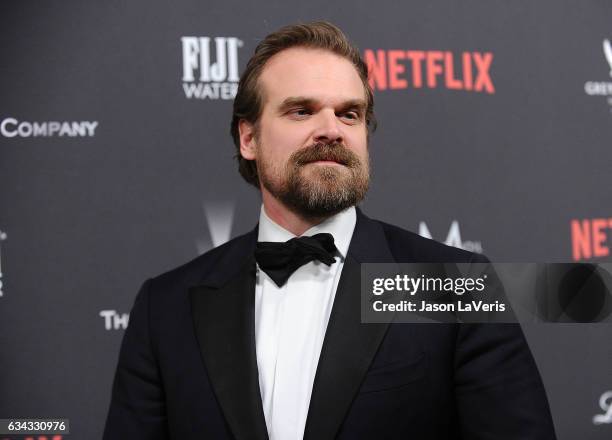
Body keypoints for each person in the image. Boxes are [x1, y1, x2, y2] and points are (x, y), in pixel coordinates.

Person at [103, 21, 557, 439]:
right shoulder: (165, 308)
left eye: (349, 114)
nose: (331, 130)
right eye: (301, 111)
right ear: (248, 139)